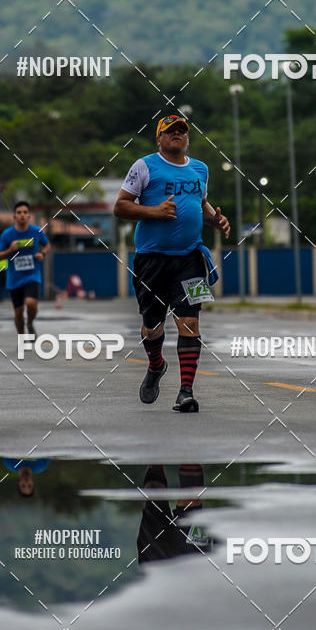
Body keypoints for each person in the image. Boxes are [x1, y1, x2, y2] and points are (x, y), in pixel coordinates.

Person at [114, 115, 230, 413]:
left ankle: (185, 392)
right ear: (159, 138)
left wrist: (215, 220)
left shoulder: (200, 169)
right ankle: (156, 365)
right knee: (151, 327)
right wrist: (154, 211)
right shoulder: (144, 166)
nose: (177, 134)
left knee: (190, 322)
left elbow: (200, 204)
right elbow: (120, 206)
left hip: (190, 259)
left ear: (188, 138)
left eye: (182, 131)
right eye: (170, 131)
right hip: (151, 260)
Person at [0, 201, 50, 338]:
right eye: (19, 212)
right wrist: (10, 250)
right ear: (14, 216)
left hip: (32, 274)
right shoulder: (7, 234)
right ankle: (21, 338)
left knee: (31, 304)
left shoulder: (36, 231)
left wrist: (42, 253)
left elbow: (47, 245)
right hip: (14, 278)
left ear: (29, 216)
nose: (22, 215)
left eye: (25, 212)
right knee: (19, 312)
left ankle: (30, 323)